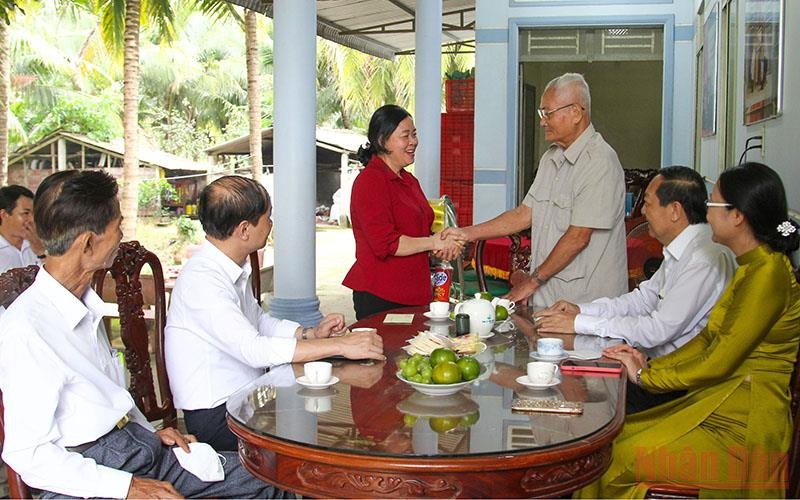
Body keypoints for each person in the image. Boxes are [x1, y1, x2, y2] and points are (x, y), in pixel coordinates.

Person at [0, 170, 284, 498]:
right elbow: (28, 455)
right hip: (86, 478)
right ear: (89, 243)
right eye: (117, 226)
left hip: (134, 448)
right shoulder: (27, 329)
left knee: (273, 479)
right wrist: (128, 487)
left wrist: (149, 433)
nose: (122, 235)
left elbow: (105, 400)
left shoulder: (84, 306)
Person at [575, 162, 800, 498]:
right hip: (717, 402)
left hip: (745, 426)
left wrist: (645, 378)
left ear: (737, 216)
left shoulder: (768, 274)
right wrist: (648, 367)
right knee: (605, 443)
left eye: (713, 204)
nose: (705, 213)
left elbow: (719, 360)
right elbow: (710, 339)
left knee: (612, 458)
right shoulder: (751, 266)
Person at [166, 175, 385, 452]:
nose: (271, 224)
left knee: (319, 412)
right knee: (315, 435)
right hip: (219, 415)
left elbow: (258, 321)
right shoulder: (203, 280)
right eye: (267, 217)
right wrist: (339, 345)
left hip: (251, 396)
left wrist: (309, 333)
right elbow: (253, 349)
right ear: (244, 230)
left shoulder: (228, 266)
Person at [536, 166, 736, 413]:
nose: (642, 210)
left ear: (675, 211)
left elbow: (657, 329)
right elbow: (643, 300)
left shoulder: (703, 259)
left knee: (581, 401)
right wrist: (581, 310)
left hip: (676, 383)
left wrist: (578, 323)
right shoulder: (685, 248)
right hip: (651, 366)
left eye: (648, 204)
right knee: (569, 383)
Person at [443, 73, 627, 308]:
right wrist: (465, 233)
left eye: (547, 113)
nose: (542, 121)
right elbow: (524, 214)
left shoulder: (599, 161)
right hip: (548, 297)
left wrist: (532, 281)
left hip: (585, 303)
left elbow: (578, 237)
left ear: (576, 113)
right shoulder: (551, 157)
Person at [343, 104, 464, 320]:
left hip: (415, 291)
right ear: (382, 140)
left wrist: (438, 248)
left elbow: (419, 233)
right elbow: (385, 243)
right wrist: (434, 243)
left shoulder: (409, 181)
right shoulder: (370, 182)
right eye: (405, 136)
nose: (414, 142)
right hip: (382, 293)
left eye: (414, 134)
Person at [0, 185, 45, 274]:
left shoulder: (39, 244)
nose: (32, 219)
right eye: (26, 213)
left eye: (33, 213)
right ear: (4, 214)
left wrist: (41, 252)